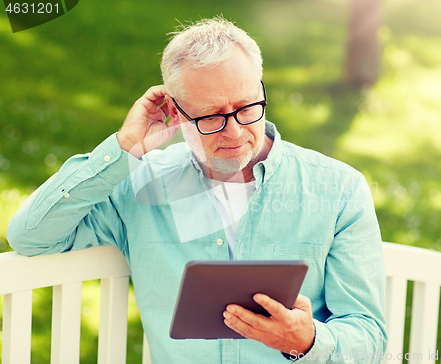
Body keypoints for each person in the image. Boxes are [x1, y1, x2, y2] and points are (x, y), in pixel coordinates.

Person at [7, 17, 387, 363]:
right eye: (211, 117)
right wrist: (123, 149)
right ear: (174, 111)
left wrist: (308, 340)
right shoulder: (140, 185)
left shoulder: (338, 189)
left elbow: (370, 338)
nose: (235, 132)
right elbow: (30, 236)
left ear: (261, 90)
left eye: (247, 107)